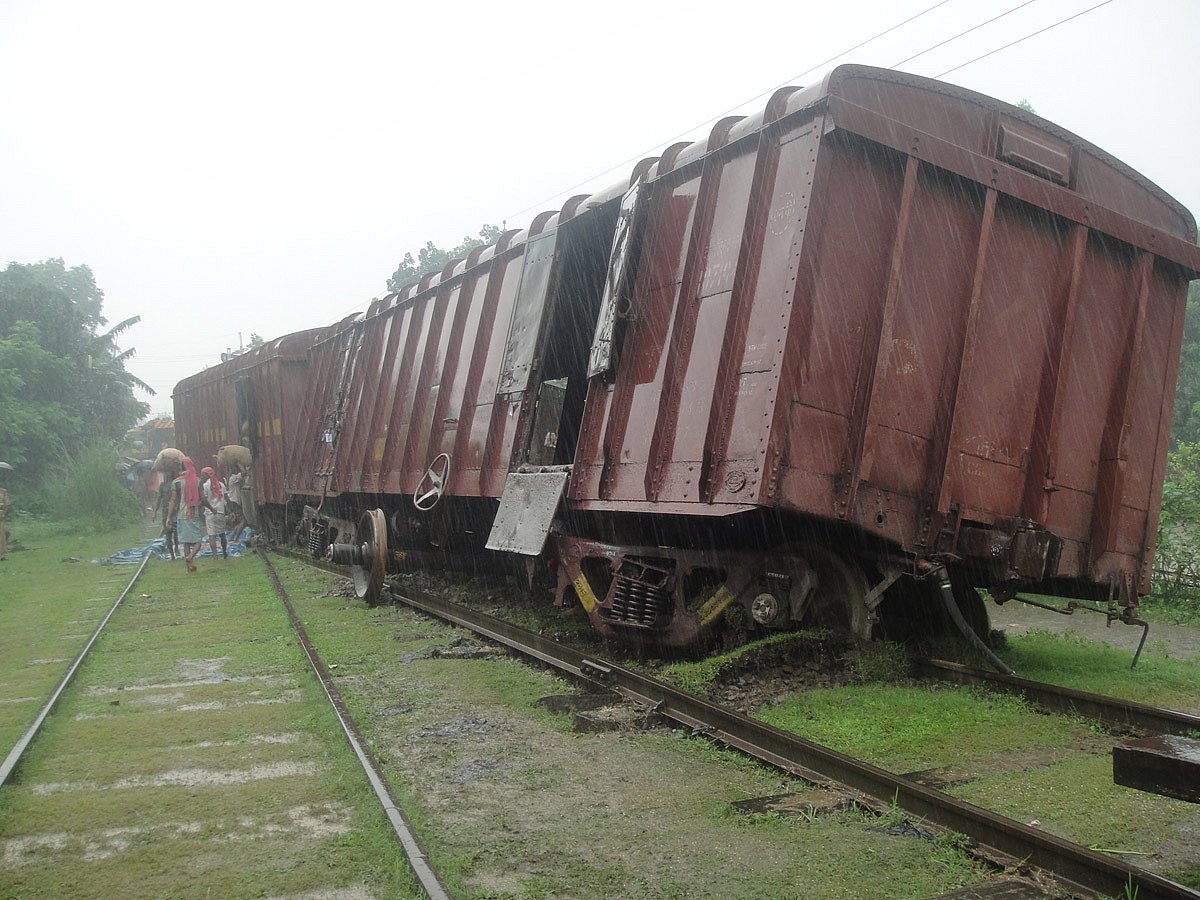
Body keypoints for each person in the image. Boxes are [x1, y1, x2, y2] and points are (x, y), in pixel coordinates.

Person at [167, 456, 212, 573]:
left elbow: (172, 500)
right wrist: (210, 507)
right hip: (194, 513)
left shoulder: (176, 482)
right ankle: (190, 557)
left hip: (181, 515)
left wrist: (168, 517)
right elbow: (203, 498)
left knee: (185, 542)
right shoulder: (197, 481)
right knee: (198, 541)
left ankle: (189, 568)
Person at [200, 466, 228, 560]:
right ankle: (224, 553)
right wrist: (229, 511)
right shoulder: (221, 485)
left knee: (212, 535)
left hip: (210, 513)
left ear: (206, 475)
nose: (201, 476)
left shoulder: (205, 486)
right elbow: (226, 498)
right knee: (222, 533)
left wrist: (211, 508)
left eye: (202, 474)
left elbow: (204, 499)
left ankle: (215, 555)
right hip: (220, 512)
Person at [153, 473, 178, 560]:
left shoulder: (171, 484)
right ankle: (173, 552)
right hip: (172, 510)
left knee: (171, 532)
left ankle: (174, 553)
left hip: (172, 510)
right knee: (171, 532)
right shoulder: (172, 484)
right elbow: (159, 498)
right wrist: (155, 512)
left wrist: (155, 512)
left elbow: (159, 499)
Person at [225, 466, 246, 543]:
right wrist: (239, 464)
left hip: (232, 502)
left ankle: (232, 537)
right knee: (243, 521)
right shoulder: (234, 478)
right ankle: (235, 538)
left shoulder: (231, 479)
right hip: (234, 502)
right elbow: (244, 473)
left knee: (238, 521)